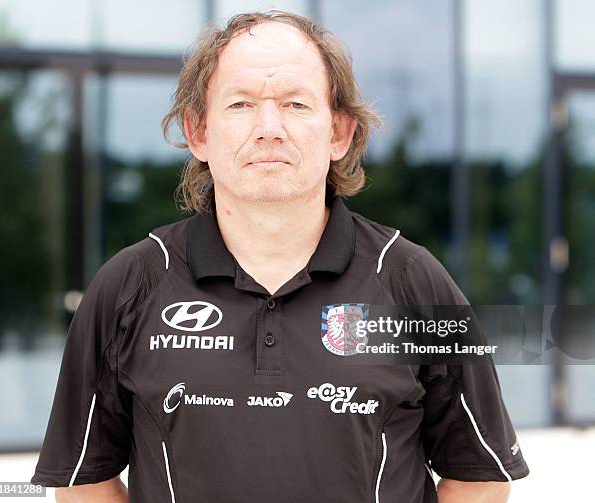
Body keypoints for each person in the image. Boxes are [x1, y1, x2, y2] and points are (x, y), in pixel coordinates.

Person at [31, 10, 529, 503]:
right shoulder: (129, 286)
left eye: (295, 104)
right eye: (241, 104)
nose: (269, 128)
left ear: (340, 133)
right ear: (198, 131)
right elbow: (80, 479)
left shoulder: (413, 281)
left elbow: (481, 476)